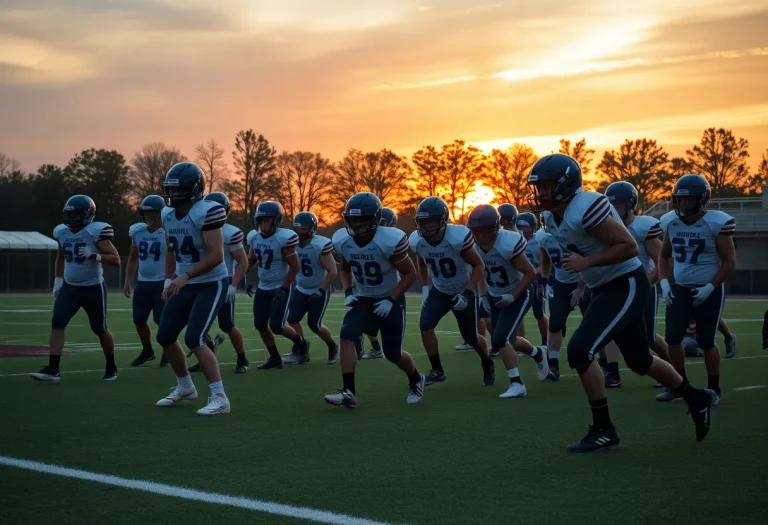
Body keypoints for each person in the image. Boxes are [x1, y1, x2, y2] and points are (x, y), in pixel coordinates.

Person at [528, 154, 715, 451]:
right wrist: (582, 278)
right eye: (539, 187)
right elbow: (579, 254)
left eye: (547, 186)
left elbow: (628, 247)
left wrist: (587, 262)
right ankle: (697, 397)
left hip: (625, 283)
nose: (541, 194)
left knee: (579, 351)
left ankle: (604, 429)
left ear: (564, 184)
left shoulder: (584, 207)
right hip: (603, 286)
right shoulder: (552, 217)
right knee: (640, 360)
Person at [325, 192, 424, 408]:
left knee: (393, 354)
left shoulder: (388, 241)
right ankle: (349, 392)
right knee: (346, 334)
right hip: (363, 298)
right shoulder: (343, 240)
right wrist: (349, 291)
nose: (357, 225)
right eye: (353, 219)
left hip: (391, 300)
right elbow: (344, 267)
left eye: (363, 219)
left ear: (375, 219)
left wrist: (391, 298)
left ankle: (416, 378)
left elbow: (410, 274)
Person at [153, 162, 231, 415]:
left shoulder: (206, 212)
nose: (174, 195)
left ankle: (220, 398)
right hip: (184, 281)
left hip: (211, 283)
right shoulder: (166, 214)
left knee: (194, 337)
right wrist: (169, 279)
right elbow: (171, 249)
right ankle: (185, 387)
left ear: (194, 189)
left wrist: (184, 276)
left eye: (180, 190)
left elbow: (217, 255)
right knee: (165, 335)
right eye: (171, 190)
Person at [658, 174, 736, 405]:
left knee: (706, 342)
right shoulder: (670, 221)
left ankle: (714, 388)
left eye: (689, 200)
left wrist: (710, 287)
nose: (683, 205)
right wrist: (664, 282)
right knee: (672, 338)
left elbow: (730, 261)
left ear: (702, 200)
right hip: (680, 288)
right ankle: (679, 386)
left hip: (708, 290)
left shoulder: (716, 223)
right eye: (680, 200)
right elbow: (663, 255)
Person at [32, 195, 120, 382]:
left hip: (93, 288)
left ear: (88, 215)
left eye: (76, 215)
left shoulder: (95, 232)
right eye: (69, 215)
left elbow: (115, 259)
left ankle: (111, 366)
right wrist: (57, 280)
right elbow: (60, 256)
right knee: (57, 323)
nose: (72, 219)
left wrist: (94, 255)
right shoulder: (62, 232)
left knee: (100, 328)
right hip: (70, 288)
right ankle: (53, 369)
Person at [410, 197, 495, 387]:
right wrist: (425, 287)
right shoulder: (418, 240)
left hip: (463, 290)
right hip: (440, 290)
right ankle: (437, 370)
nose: (428, 227)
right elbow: (421, 262)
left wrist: (467, 293)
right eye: (424, 222)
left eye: (432, 221)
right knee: (425, 325)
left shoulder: (456, 238)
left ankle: (487, 362)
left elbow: (479, 265)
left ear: (443, 220)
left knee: (471, 337)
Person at [468, 204, 549, 399]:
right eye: (476, 230)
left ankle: (517, 383)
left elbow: (530, 273)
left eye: (484, 229)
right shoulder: (472, 244)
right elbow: (479, 270)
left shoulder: (507, 242)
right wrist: (485, 295)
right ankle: (538, 353)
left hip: (519, 293)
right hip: (495, 294)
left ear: (495, 227)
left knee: (500, 339)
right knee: (508, 340)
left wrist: (512, 296)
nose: (479, 234)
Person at [603, 181, 670, 388]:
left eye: (619, 205)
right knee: (611, 330)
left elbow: (662, 261)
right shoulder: (604, 227)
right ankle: (612, 373)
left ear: (631, 204)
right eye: (611, 205)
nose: (614, 209)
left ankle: (671, 368)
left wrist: (646, 284)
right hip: (616, 286)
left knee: (648, 337)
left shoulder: (643, 226)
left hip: (641, 286)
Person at [187, 192, 250, 374]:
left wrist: (233, 285)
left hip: (222, 282)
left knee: (227, 324)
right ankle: (207, 357)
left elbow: (243, 262)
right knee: (198, 324)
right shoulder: (196, 227)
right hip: (199, 281)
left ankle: (242, 358)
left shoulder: (230, 233)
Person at [246, 201, 309, 369]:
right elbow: (251, 260)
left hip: (279, 286)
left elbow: (295, 266)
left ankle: (302, 343)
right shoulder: (253, 237)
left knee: (277, 326)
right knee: (260, 324)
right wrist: (243, 277)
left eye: (269, 220)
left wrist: (284, 288)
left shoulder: (283, 238)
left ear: (276, 221)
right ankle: (274, 357)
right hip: (263, 287)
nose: (265, 224)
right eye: (262, 220)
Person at [533, 212, 588, 381]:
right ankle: (553, 363)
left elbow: (588, 260)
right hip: (561, 284)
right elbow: (546, 261)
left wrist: (581, 287)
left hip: (587, 282)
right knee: (555, 323)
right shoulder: (543, 236)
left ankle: (605, 362)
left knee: (593, 322)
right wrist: (542, 282)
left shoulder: (575, 233)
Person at [285, 211, 339, 365]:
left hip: (318, 288)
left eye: (304, 228)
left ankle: (332, 346)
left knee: (314, 325)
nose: (300, 232)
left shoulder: (319, 245)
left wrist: (321, 290)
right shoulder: (292, 243)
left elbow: (333, 271)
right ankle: (302, 349)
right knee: (292, 319)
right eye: (298, 228)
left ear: (312, 228)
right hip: (301, 287)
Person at [126, 194, 169, 367]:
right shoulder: (137, 231)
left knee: (161, 320)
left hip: (161, 282)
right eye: (147, 212)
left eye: (154, 213)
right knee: (139, 319)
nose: (150, 216)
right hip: (143, 282)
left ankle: (169, 350)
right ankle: (147, 350)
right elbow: (133, 256)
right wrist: (127, 280)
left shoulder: (168, 231)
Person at [359, 207, 397, 359]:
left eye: (383, 223)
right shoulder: (364, 238)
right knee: (363, 321)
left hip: (389, 290)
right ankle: (375, 347)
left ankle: (382, 349)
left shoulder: (393, 241)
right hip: (366, 286)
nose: (380, 227)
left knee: (394, 352)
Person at [509, 207, 549, 347]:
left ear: (532, 227)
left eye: (523, 226)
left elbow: (544, 265)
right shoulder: (516, 240)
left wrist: (531, 271)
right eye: (518, 226)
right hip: (520, 281)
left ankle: (545, 342)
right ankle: (522, 342)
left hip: (536, 281)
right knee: (518, 315)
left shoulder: (538, 241)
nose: (520, 229)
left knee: (539, 313)